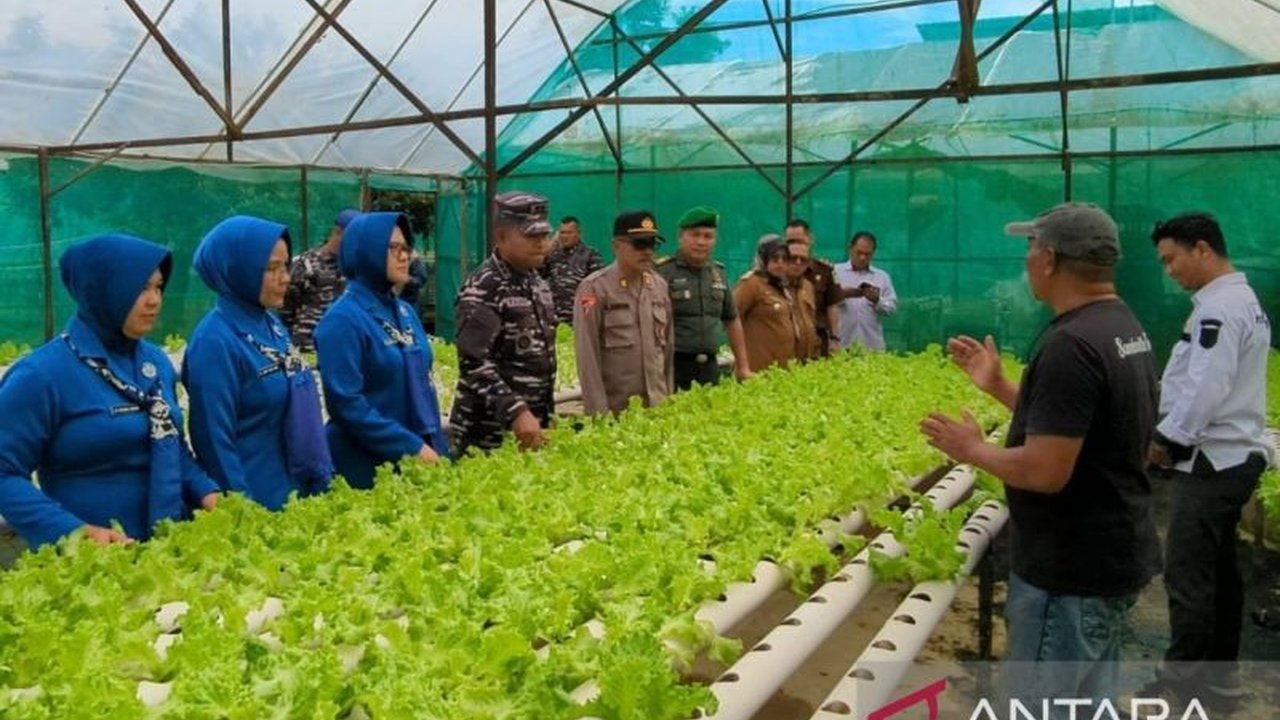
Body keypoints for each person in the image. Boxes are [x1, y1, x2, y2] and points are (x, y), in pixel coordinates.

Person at [918, 203, 1161, 709]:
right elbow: (1085, 427)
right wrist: (1002, 387)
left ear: (1049, 259)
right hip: (1110, 556)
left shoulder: (1071, 343)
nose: (1026, 259)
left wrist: (972, 449)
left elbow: (1046, 471)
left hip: (1067, 575)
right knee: (1089, 702)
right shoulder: (1121, 327)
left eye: (1030, 247)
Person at [0, 234, 219, 548]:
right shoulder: (43, 375)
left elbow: (172, 449)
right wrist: (74, 532)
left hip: (170, 550)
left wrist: (206, 492)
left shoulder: (155, 362)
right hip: (92, 566)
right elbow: (4, 473)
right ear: (102, 291)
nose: (154, 299)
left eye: (158, 287)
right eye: (140, 288)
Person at [1143, 212, 1272, 704]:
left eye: (1172, 259)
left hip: (1212, 458)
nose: (1169, 271)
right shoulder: (1241, 301)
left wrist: (1167, 439)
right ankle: (1220, 677)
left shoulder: (1220, 309)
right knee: (1219, 571)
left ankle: (1180, 686)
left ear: (1202, 249)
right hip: (1231, 455)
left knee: (1188, 572)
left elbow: (1206, 387)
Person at [184, 216, 333, 511]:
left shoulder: (269, 322)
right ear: (237, 270)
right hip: (258, 501)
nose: (285, 278)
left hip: (295, 493)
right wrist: (243, 509)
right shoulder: (215, 341)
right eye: (270, 268)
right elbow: (214, 441)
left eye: (285, 265)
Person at [314, 212, 449, 489]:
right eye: (393, 249)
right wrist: (409, 447)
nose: (404, 257)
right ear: (365, 250)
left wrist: (433, 444)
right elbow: (346, 403)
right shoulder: (343, 319)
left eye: (406, 249)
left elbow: (425, 385)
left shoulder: (404, 311)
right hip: (368, 468)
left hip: (420, 459)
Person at [449, 192, 557, 455]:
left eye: (543, 236)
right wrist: (516, 411)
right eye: (530, 236)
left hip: (531, 429)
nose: (540, 243)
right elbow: (473, 363)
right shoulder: (485, 286)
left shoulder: (537, 282)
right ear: (501, 237)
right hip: (488, 435)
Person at [574, 210, 674, 415]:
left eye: (652, 244)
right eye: (639, 244)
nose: (647, 251)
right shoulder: (595, 288)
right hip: (617, 412)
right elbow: (587, 355)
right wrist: (598, 415)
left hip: (657, 408)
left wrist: (668, 402)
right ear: (616, 246)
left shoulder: (659, 286)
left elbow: (668, 352)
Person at [655, 206, 752, 389]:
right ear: (681, 236)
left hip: (709, 366)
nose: (701, 242)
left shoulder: (718, 273)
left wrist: (743, 365)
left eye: (708, 236)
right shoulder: (662, 272)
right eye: (695, 235)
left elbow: (731, 319)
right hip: (672, 365)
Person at [281, 208, 359, 353]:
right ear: (337, 233)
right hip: (308, 347)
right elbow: (286, 308)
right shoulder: (306, 264)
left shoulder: (356, 267)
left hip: (342, 347)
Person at [734, 236, 814, 372]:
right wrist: (741, 363)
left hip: (782, 371)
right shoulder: (752, 284)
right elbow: (732, 319)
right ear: (763, 259)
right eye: (775, 258)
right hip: (757, 371)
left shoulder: (782, 286)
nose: (780, 263)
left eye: (785, 259)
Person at [785, 219, 846, 356]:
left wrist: (835, 338)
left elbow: (832, 306)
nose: (795, 245)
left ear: (810, 239)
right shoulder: (779, 270)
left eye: (799, 241)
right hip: (786, 338)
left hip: (816, 339)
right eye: (790, 241)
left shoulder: (824, 270)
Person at [834, 230, 898, 351]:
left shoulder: (882, 277)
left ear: (873, 253)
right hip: (842, 345)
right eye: (859, 253)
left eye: (867, 254)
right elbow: (824, 302)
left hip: (872, 346)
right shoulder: (835, 272)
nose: (862, 258)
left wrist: (877, 300)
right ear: (850, 249)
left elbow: (892, 308)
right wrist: (843, 294)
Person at [542, 216, 605, 324]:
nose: (565, 237)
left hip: (579, 319)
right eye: (562, 233)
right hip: (554, 319)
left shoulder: (590, 255)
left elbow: (597, 287)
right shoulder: (553, 256)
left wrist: (586, 315)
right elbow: (538, 277)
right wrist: (545, 253)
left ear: (579, 233)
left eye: (569, 233)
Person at [782, 235, 824, 361]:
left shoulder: (808, 287)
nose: (798, 263)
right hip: (774, 364)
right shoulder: (766, 285)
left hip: (804, 363)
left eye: (803, 259)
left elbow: (811, 322)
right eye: (793, 258)